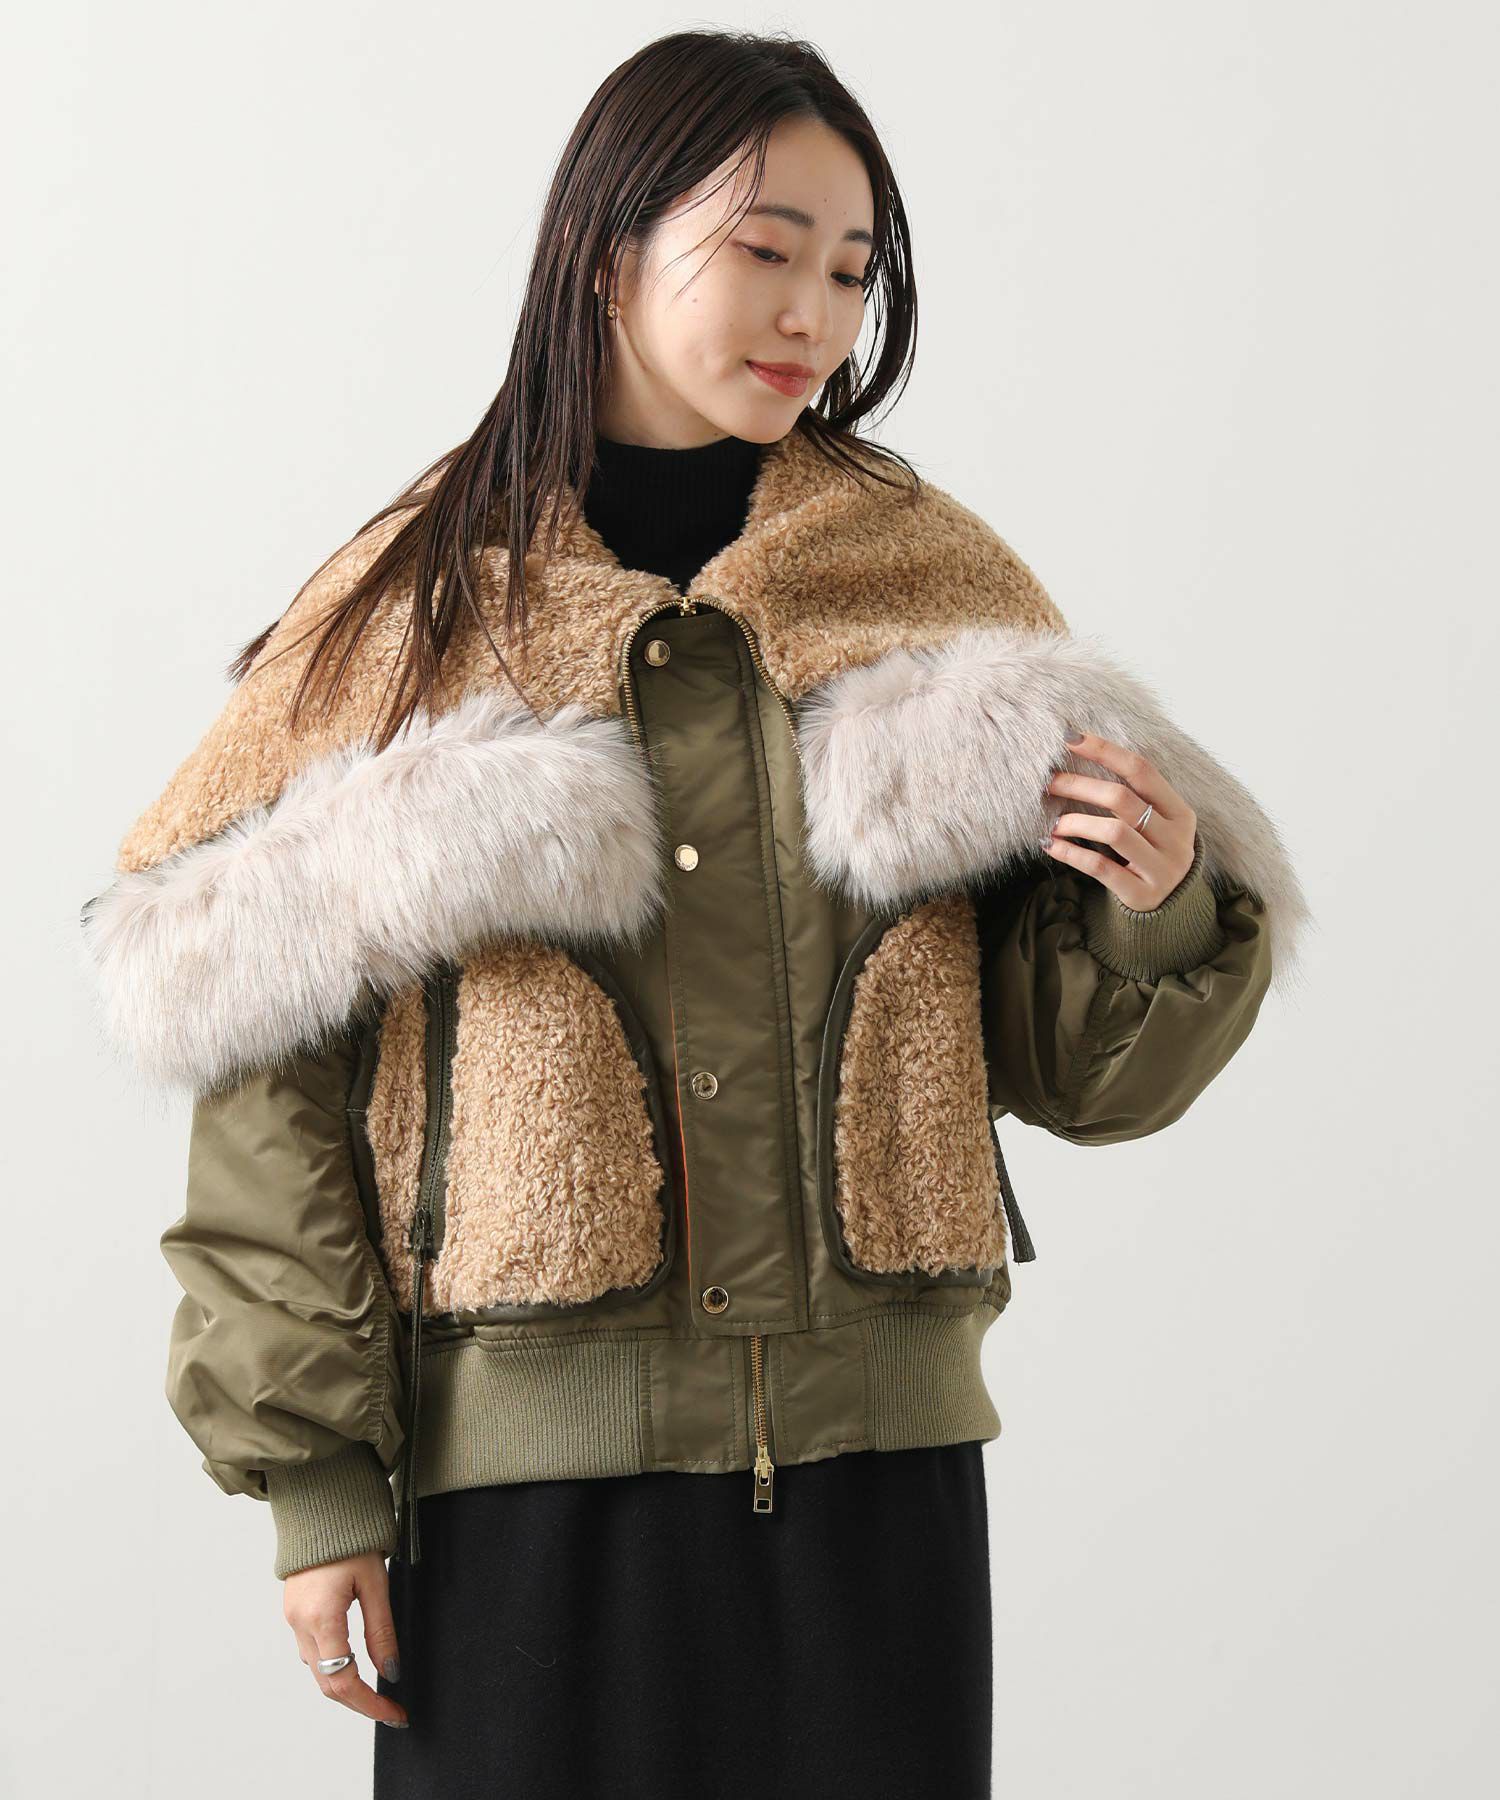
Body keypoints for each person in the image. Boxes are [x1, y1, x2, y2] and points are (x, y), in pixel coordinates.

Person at [79, 28, 1310, 1800]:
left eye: (852, 269)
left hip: (878, 1493)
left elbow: (1075, 1076)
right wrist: (318, 1484)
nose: (814, 312)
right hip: (522, 1511)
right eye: (765, 249)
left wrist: (1159, 910)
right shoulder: (406, 622)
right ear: (607, 251)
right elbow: (269, 1096)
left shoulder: (936, 594)